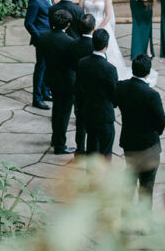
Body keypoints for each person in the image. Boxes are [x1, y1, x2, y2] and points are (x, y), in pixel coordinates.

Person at [115, 54, 165, 202]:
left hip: (129, 142)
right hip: (148, 146)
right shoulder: (152, 95)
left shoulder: (121, 86)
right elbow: (161, 121)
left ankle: (126, 216)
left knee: (130, 179)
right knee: (147, 186)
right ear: (148, 71)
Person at [36, 9, 77, 154]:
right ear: (67, 25)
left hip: (51, 78)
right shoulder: (70, 42)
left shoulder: (43, 36)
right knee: (64, 113)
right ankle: (60, 145)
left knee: (56, 110)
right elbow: (73, 64)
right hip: (67, 81)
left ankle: (55, 138)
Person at [75, 28, 118, 157]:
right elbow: (114, 93)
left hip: (88, 111)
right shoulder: (110, 69)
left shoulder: (82, 63)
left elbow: (79, 88)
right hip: (104, 114)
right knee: (105, 152)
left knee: (92, 147)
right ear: (107, 45)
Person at [24, 0, 56, 109]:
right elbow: (29, 23)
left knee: (48, 68)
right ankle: (37, 98)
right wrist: (40, 38)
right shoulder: (35, 0)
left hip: (50, 38)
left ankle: (45, 92)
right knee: (41, 68)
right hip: (41, 40)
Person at [70, 13, 96, 153]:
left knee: (80, 120)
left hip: (78, 87)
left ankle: (80, 149)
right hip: (92, 89)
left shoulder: (73, 44)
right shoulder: (95, 46)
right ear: (94, 28)